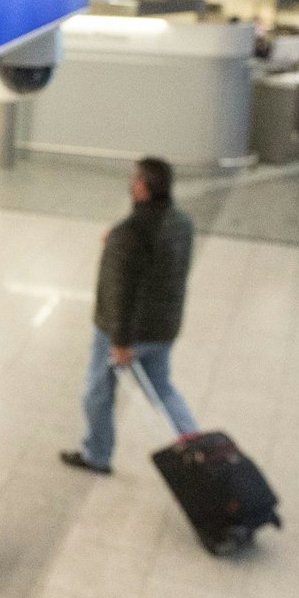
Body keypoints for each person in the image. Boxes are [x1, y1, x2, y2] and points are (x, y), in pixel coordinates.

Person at [61, 158, 199, 475]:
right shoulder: (181, 223)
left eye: (135, 179)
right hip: (163, 329)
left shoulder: (129, 235)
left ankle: (97, 455)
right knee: (163, 390)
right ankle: (196, 446)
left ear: (142, 188)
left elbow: (118, 292)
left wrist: (121, 341)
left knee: (97, 391)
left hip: (123, 334)